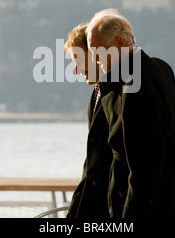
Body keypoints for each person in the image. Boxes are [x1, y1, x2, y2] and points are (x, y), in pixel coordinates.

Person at [86, 8, 175, 218]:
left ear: (119, 43)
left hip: (141, 207)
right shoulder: (160, 67)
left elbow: (142, 169)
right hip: (169, 196)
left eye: (96, 51)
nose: (95, 60)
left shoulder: (132, 88)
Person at [63, 22, 112, 218]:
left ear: (95, 54)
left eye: (78, 60)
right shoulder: (97, 93)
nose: (76, 70)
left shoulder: (116, 94)